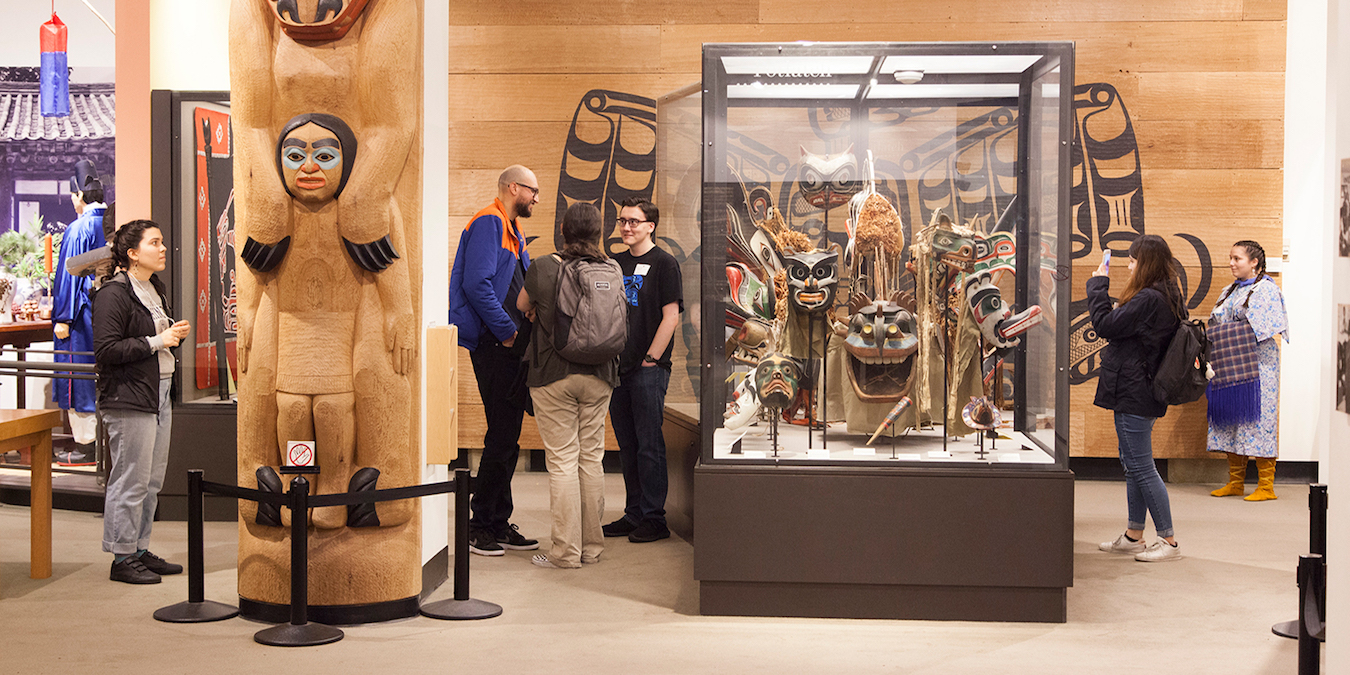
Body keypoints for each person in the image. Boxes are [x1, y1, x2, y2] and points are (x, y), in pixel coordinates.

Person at [516, 203, 619, 568]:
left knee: (561, 461)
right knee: (592, 459)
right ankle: (592, 548)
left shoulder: (544, 266)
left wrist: (538, 310)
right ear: (599, 232)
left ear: (563, 229)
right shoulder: (612, 268)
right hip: (601, 374)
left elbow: (521, 304)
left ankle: (565, 552)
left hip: (553, 375)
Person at [448, 165, 540, 556]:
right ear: (513, 187)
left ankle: (498, 521)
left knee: (508, 437)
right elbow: (476, 285)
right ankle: (480, 524)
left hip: (509, 346)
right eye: (533, 191)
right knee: (501, 436)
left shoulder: (512, 229)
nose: (536, 198)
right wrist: (507, 332)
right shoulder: (489, 222)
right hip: (494, 344)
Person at [92, 220, 191, 584]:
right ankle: (121, 556)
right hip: (129, 396)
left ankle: (138, 548)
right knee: (130, 478)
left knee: (151, 480)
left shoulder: (153, 287)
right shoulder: (113, 294)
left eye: (162, 241)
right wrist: (158, 340)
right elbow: (105, 349)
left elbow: (153, 340)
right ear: (133, 253)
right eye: (155, 242)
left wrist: (169, 338)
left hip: (159, 390)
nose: (163, 248)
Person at [1089, 235, 1184, 563]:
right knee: (1133, 466)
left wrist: (1098, 283)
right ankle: (1134, 535)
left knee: (1142, 467)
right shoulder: (1165, 293)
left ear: (1145, 263)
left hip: (1136, 391)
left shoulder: (1149, 298)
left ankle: (1168, 540)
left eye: (1132, 261)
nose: (1129, 267)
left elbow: (1104, 325)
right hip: (1138, 389)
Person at [602, 197, 683, 543]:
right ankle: (633, 513)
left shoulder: (665, 264)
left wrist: (651, 357)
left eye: (634, 221)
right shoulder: (614, 264)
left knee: (649, 444)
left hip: (648, 368)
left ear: (651, 226)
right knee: (628, 444)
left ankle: (654, 518)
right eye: (623, 221)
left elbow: (671, 316)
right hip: (617, 368)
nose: (626, 227)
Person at [1207, 240, 1288, 501]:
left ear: (1254, 262)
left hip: (1257, 365)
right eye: (1230, 258)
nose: (1231, 263)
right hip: (1229, 362)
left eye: (1237, 259)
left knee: (1258, 420)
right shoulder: (1228, 291)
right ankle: (1235, 482)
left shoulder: (1266, 290)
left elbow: (1264, 327)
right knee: (1232, 418)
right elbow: (1215, 319)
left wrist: (1228, 331)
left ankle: (1266, 486)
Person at [52, 159, 107, 466]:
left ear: (78, 195)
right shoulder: (107, 222)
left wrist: (62, 317)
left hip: (79, 313)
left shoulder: (79, 227)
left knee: (78, 375)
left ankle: (85, 445)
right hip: (103, 309)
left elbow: (68, 277)